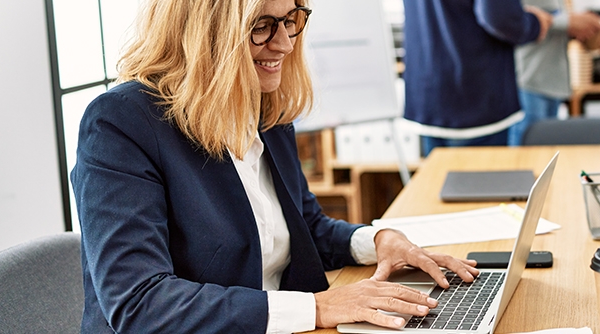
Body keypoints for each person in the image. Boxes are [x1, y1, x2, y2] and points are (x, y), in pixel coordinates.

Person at [70, 0, 479, 332]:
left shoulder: (266, 107)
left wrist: (377, 242)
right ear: (205, 31)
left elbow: (304, 227)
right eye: (261, 25)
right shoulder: (120, 125)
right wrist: (316, 308)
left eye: (290, 19)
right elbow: (141, 303)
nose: (283, 43)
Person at [402, 0, 553, 156]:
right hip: (475, 98)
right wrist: (534, 24)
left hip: (428, 92)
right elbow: (499, 17)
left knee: (439, 178)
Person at [508, 0, 600, 146]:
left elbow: (551, 16)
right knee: (527, 155)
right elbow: (515, 19)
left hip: (551, 83)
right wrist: (569, 22)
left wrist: (584, 26)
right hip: (529, 81)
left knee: (546, 154)